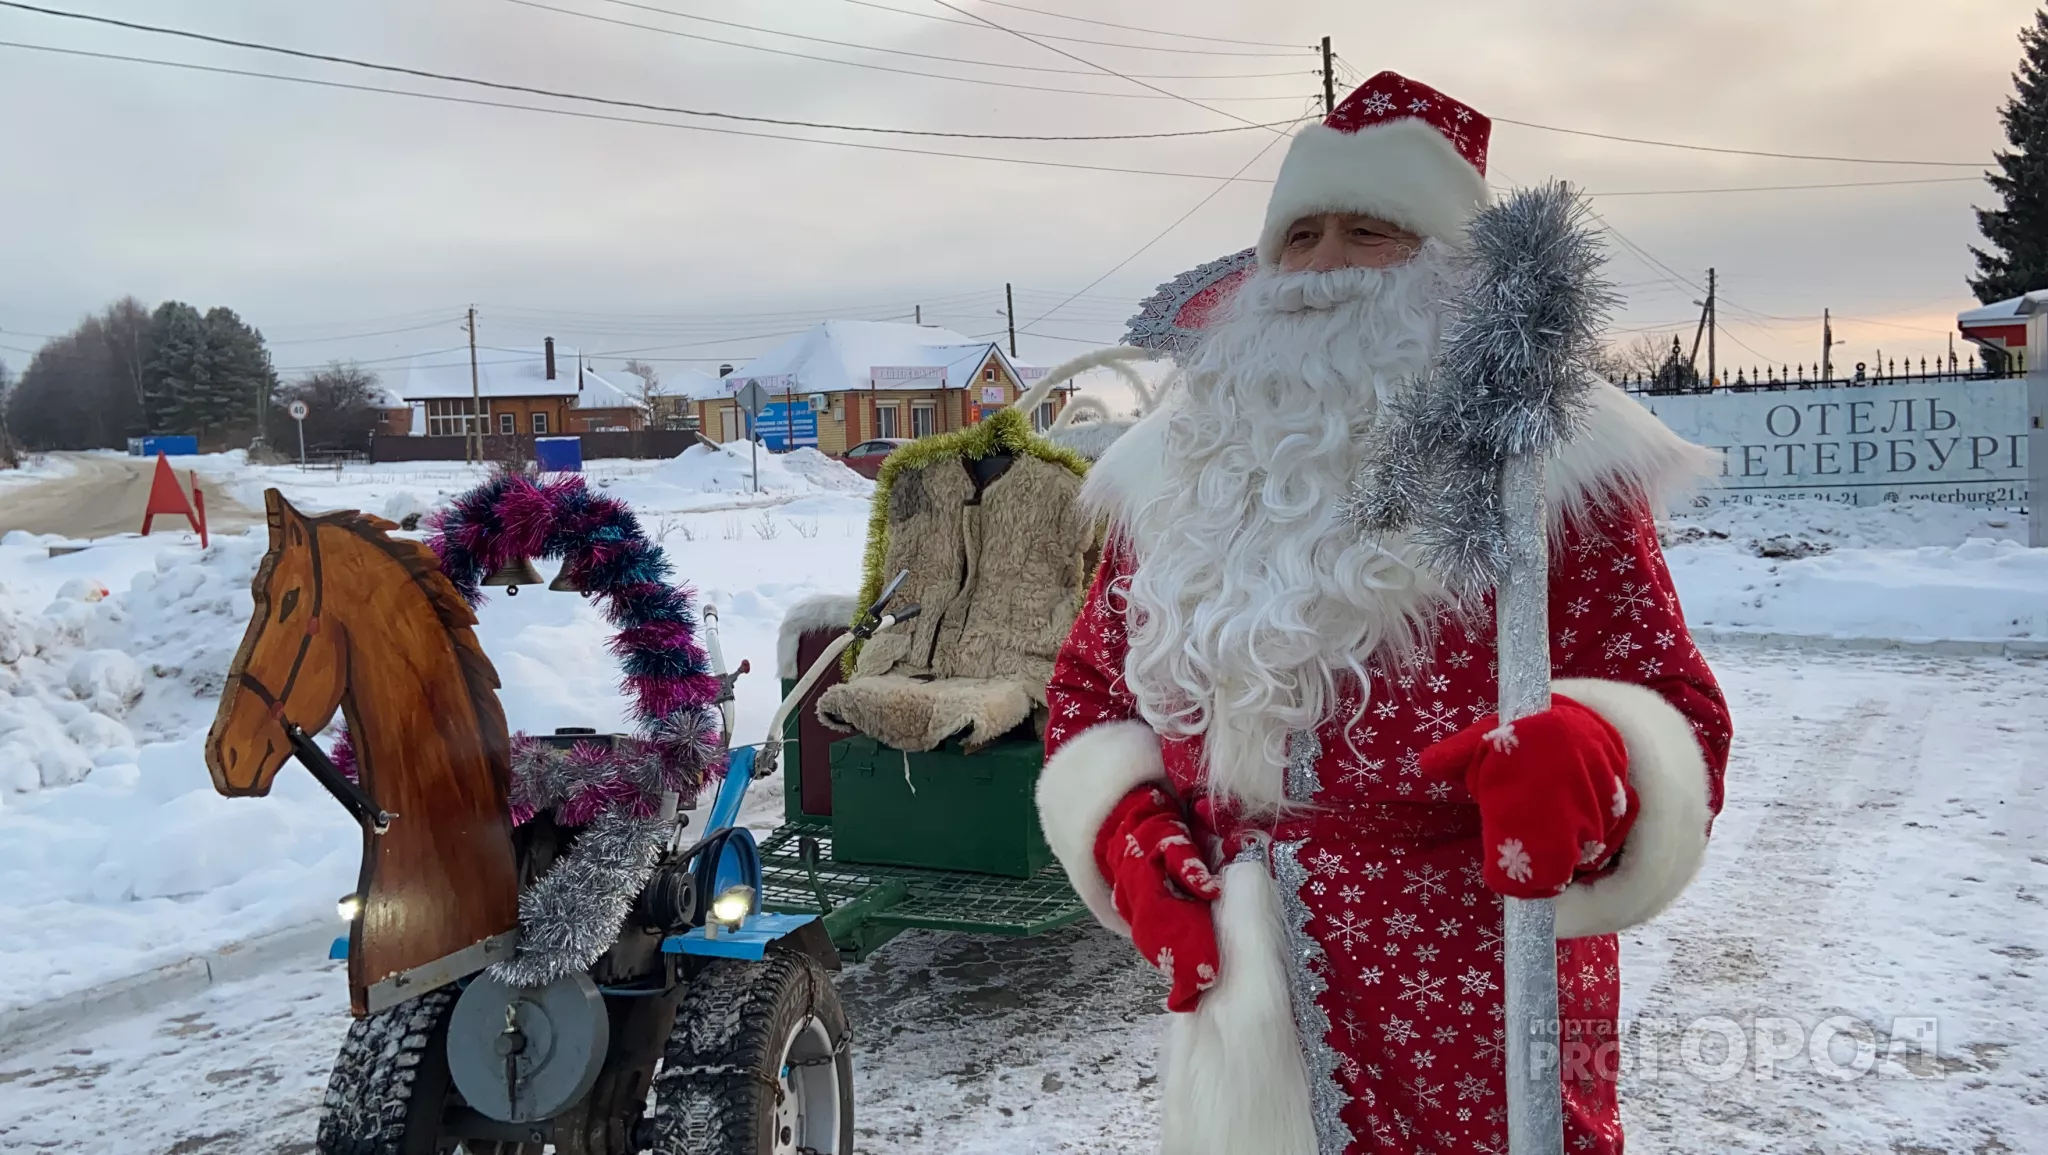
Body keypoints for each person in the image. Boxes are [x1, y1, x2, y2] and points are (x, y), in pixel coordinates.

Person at [1035, 72, 1733, 1155]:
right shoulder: (1181, 465)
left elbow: (1673, 703)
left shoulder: (1553, 456)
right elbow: (1090, 687)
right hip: (1247, 995)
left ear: (1452, 267)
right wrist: (1125, 831)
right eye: (1298, 235)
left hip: (1482, 970)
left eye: (1369, 233)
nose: (1321, 268)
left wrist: (1599, 756)